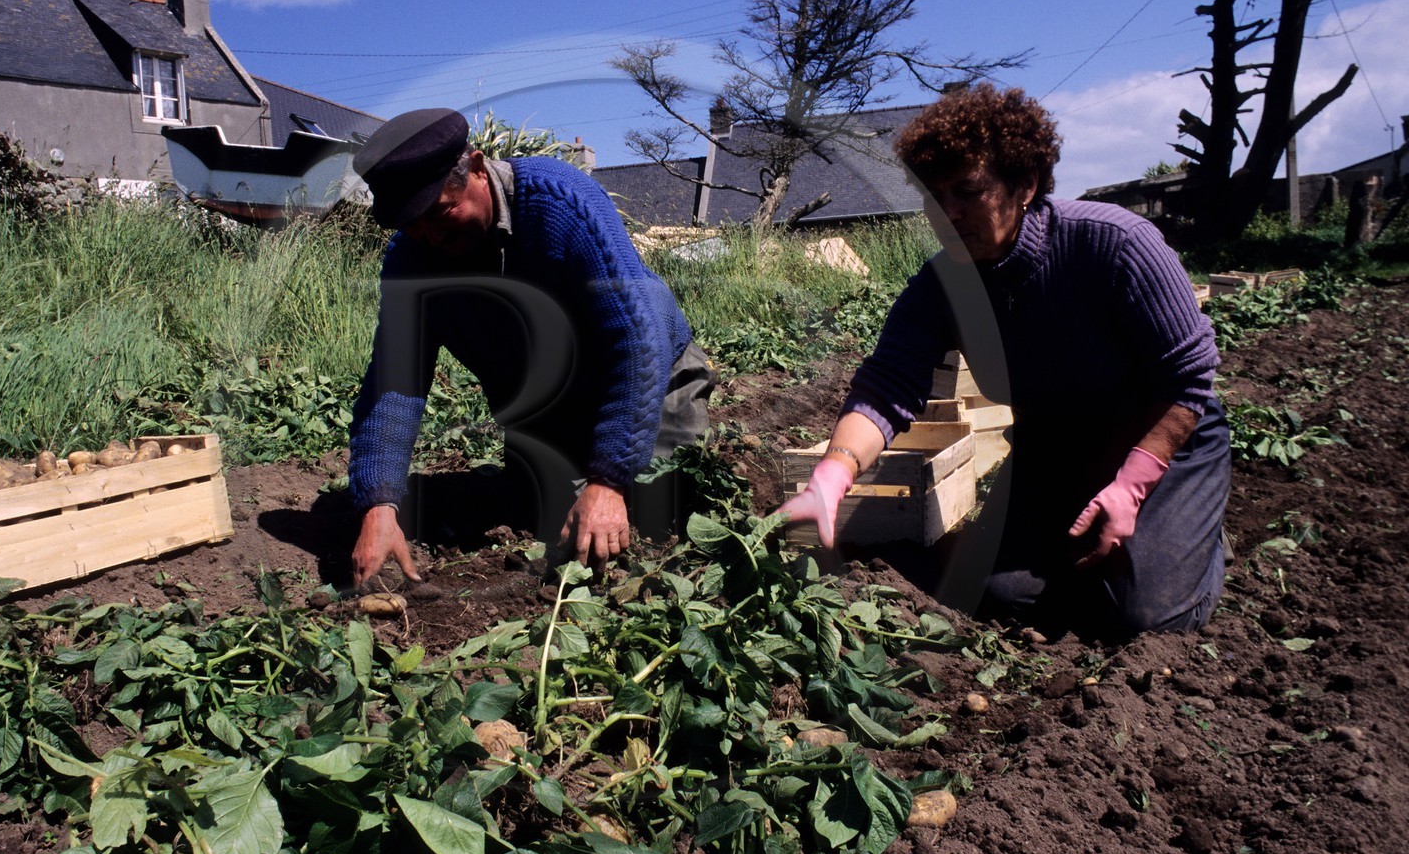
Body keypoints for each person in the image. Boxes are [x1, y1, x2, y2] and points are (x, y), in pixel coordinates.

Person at [781, 84, 1229, 636]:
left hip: (1160, 442)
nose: (947, 214)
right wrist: (832, 473)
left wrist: (1133, 483)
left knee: (1143, 616)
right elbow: (887, 386)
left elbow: (1188, 379)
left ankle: (1198, 541)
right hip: (1055, 447)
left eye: (967, 191)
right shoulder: (942, 286)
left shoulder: (1115, 245)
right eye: (931, 195)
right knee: (994, 593)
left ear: (1025, 184)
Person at [347, 108, 713, 585]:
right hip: (547, 403)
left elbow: (635, 339)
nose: (432, 237)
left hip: (651, 378)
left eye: (440, 214)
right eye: (414, 227)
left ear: (477, 169)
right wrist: (378, 504)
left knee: (659, 512)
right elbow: (395, 382)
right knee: (542, 518)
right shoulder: (411, 262)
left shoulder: (563, 203)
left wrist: (610, 479)